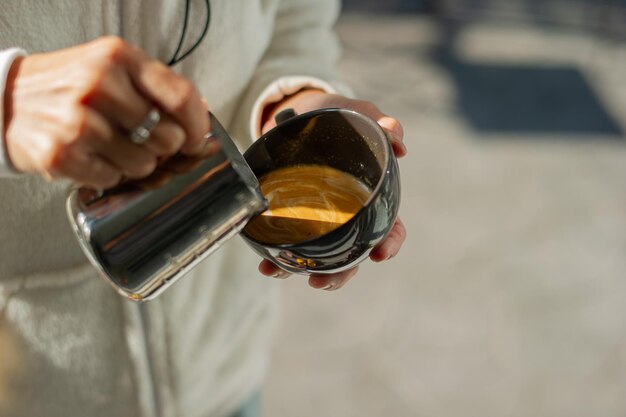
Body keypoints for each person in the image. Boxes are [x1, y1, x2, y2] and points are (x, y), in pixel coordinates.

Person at [0, 1, 407, 416]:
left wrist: (293, 101)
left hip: (223, 370)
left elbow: (296, 18)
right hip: (34, 389)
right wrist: (7, 98)